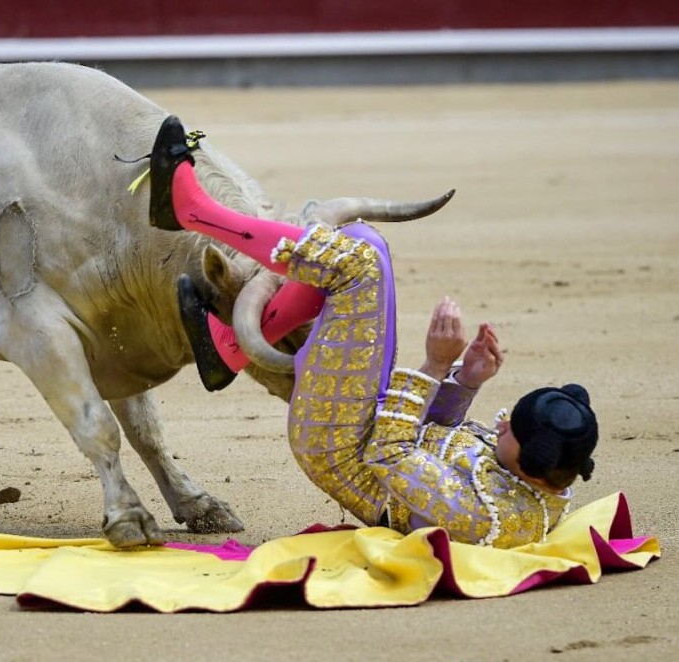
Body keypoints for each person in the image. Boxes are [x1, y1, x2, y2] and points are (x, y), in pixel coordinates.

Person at [149, 115, 599, 548]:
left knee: (356, 266)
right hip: (370, 425)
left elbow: (390, 453)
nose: (500, 425)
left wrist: (436, 365)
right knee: (366, 241)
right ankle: (228, 348)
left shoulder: (483, 517)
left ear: (532, 462)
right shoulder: (538, 475)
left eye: (509, 431)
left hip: (340, 448)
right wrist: (466, 381)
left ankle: (194, 212)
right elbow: (440, 434)